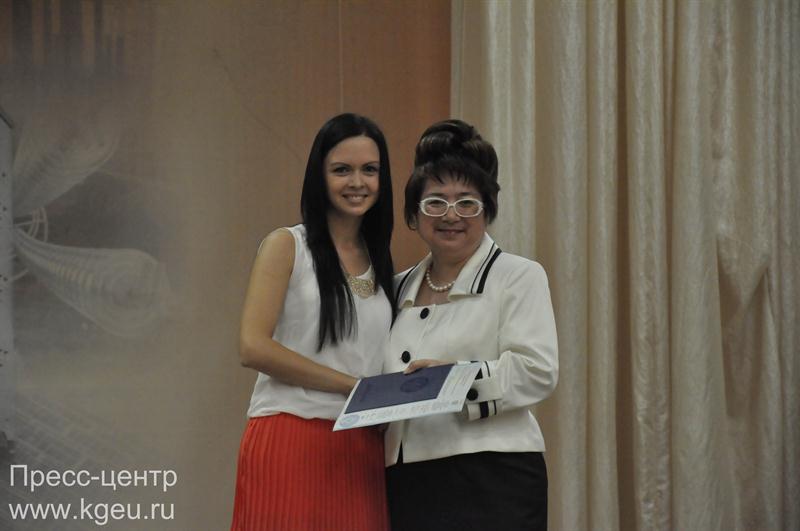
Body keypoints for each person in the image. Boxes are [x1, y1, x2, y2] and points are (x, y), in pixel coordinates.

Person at [384, 119, 558, 531]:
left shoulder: (518, 275)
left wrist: (454, 382)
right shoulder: (394, 287)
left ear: (487, 210)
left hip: (493, 476)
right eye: (435, 202)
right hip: (407, 479)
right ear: (414, 213)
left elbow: (537, 370)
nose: (451, 215)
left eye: (467, 203)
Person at [230, 113, 396, 531]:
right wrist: (352, 387)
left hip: (362, 445)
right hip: (292, 434)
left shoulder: (380, 260)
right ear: (318, 176)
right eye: (341, 170)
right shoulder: (287, 245)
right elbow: (252, 346)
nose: (357, 182)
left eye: (369, 170)